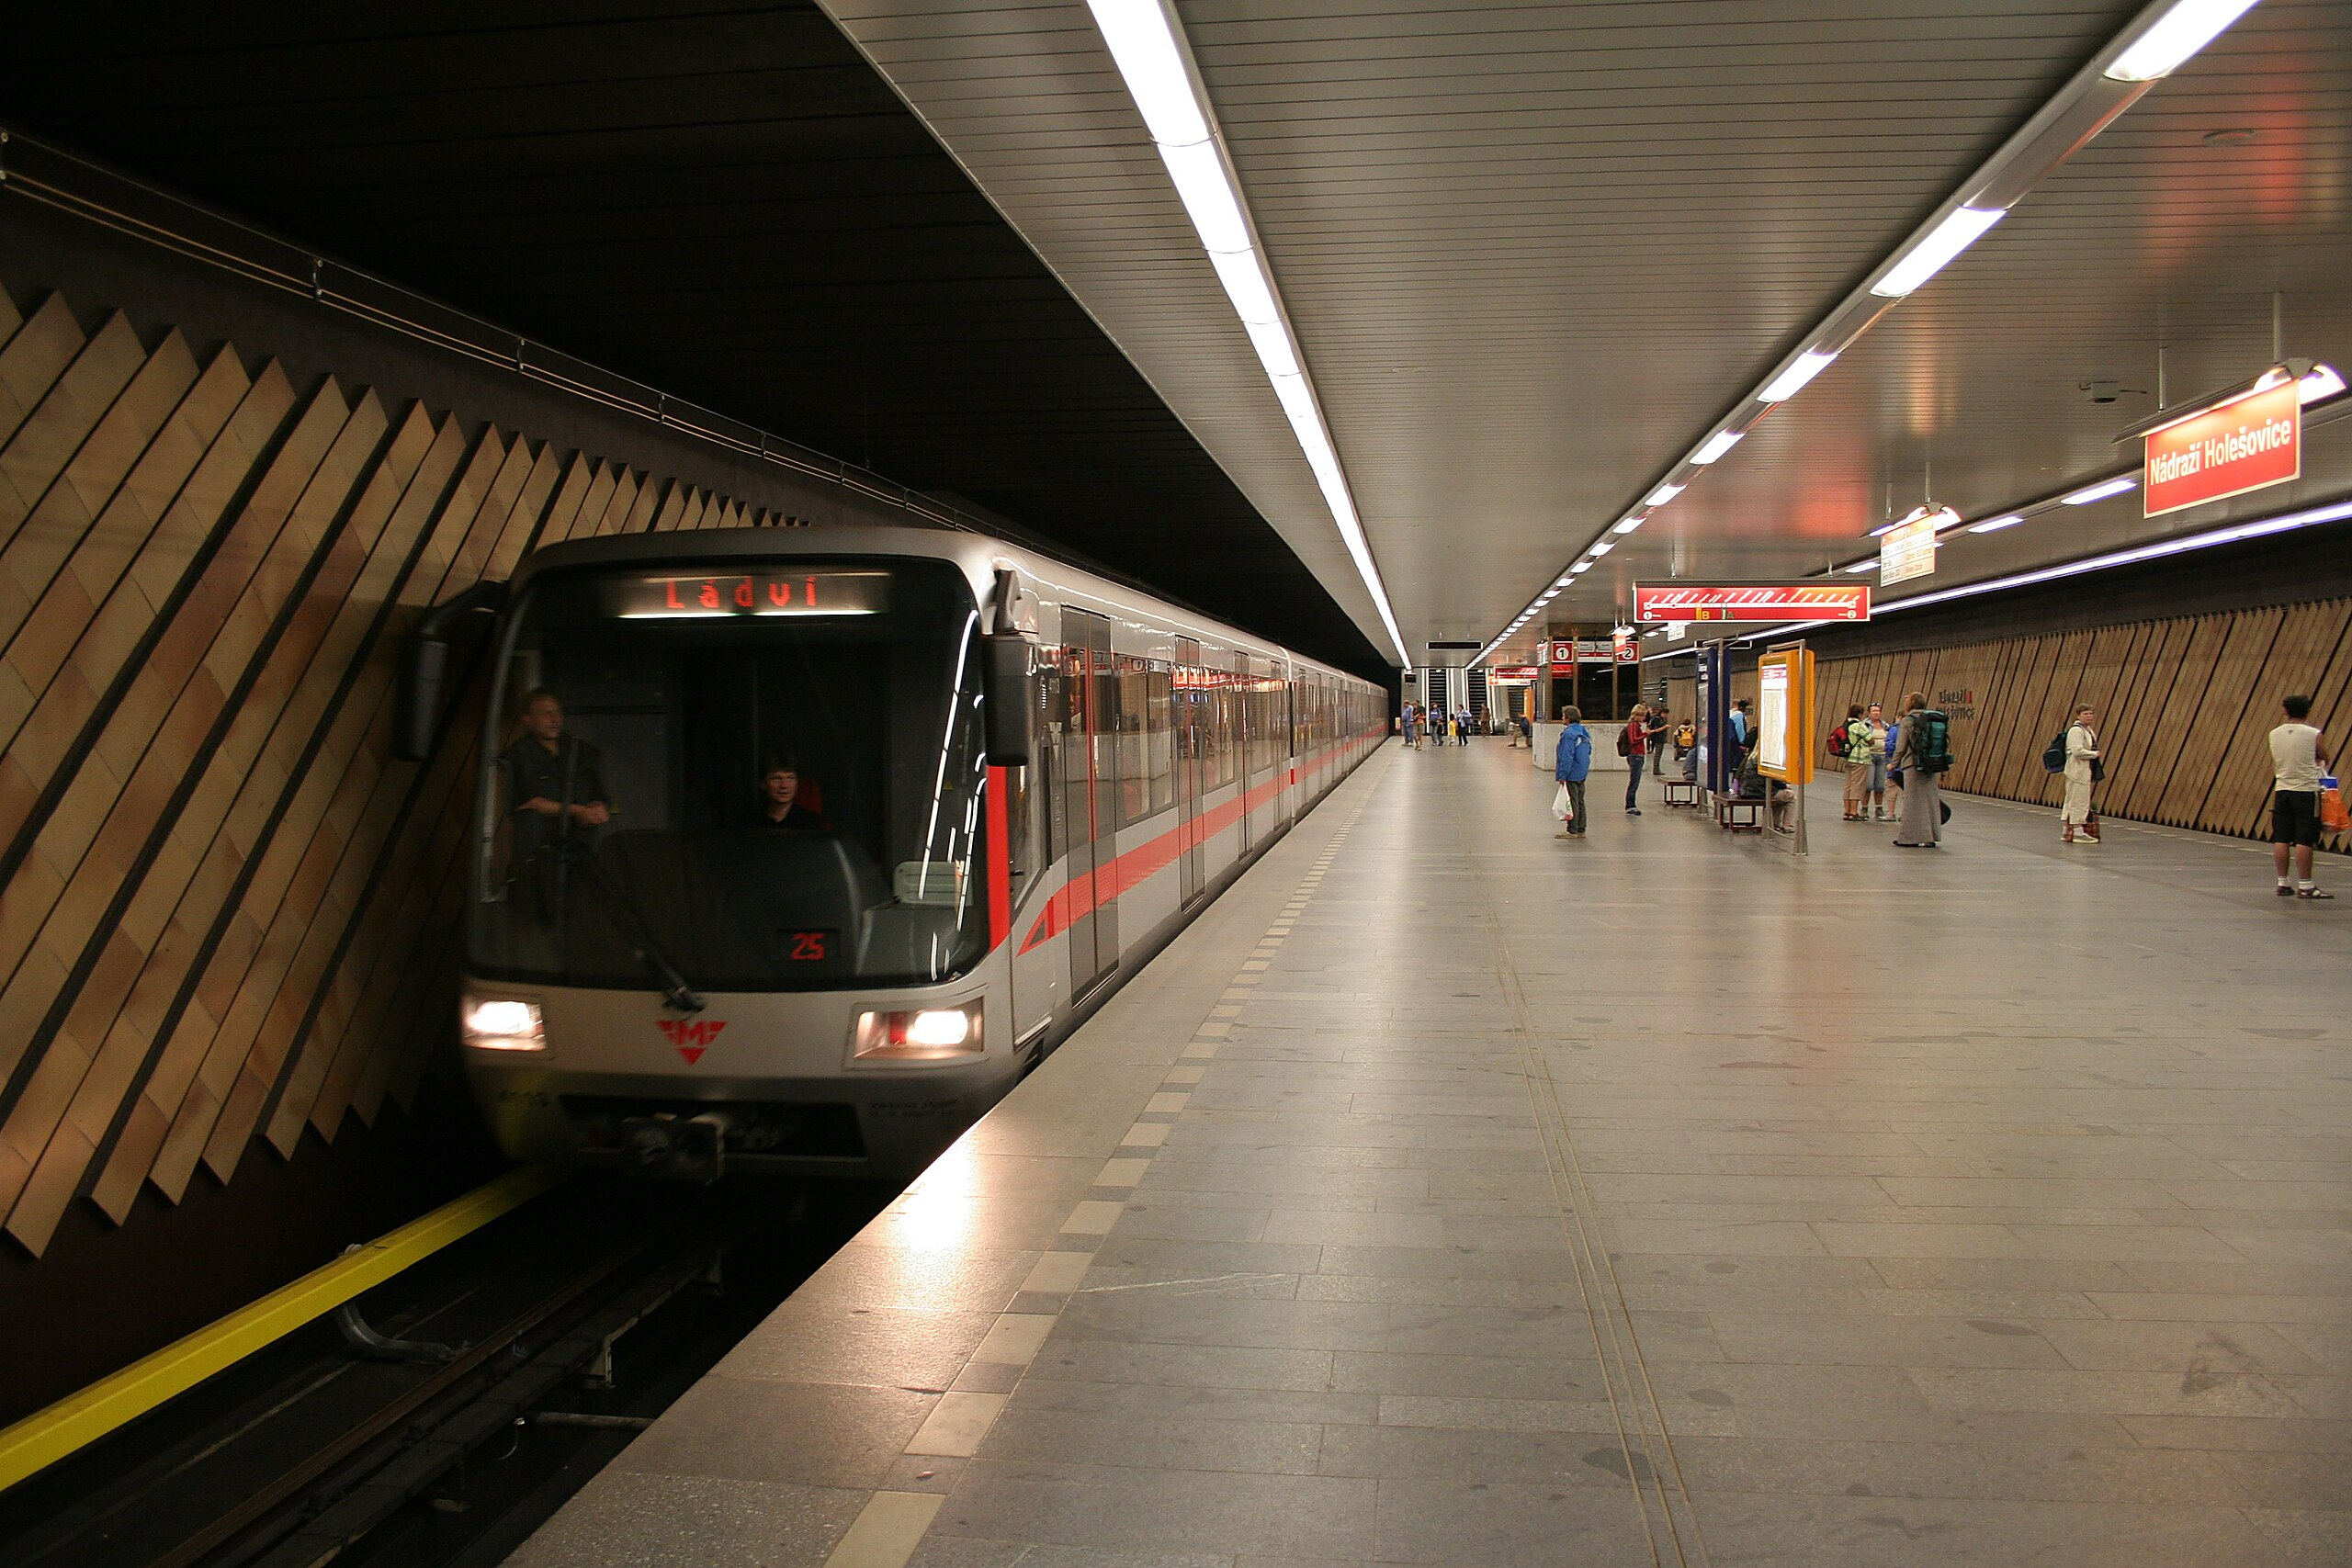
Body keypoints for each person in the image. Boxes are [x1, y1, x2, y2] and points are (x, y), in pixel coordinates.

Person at [2268, 694, 2333, 898]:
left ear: (2285, 710)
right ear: (2307, 711)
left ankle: (2283, 882)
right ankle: (2305, 885)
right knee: (2305, 838)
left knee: (2282, 837)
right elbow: (2324, 756)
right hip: (2306, 790)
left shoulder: (2274, 734)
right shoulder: (2313, 733)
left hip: (2282, 789)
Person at [1890, 691, 1941, 848]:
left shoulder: (1908, 720)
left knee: (1912, 802)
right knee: (1930, 801)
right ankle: (1931, 836)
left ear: (1910, 704)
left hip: (1913, 764)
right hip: (1931, 764)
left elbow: (1900, 747)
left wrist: (1893, 763)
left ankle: (1909, 838)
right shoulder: (1932, 718)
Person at [2060, 705, 2102, 845]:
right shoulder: (2077, 730)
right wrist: (2094, 754)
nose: (2089, 716)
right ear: (2078, 715)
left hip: (2080, 769)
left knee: (2071, 799)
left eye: (2091, 713)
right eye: (2085, 714)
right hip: (2078, 770)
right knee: (2079, 800)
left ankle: (2067, 831)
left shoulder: (2086, 729)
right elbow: (2077, 751)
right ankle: (2078, 832)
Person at [754, 757, 829, 830]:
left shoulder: (811, 822)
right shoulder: (751, 821)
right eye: (777, 779)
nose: (784, 785)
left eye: (790, 778)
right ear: (763, 784)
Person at [1554, 705, 1592, 839]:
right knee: (1580, 800)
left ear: (1568, 718)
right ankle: (1581, 828)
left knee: (1572, 800)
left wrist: (1562, 774)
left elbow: (1566, 755)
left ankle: (1572, 829)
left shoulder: (1568, 734)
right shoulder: (1583, 731)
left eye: (1563, 715)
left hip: (1572, 771)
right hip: (1582, 770)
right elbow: (1589, 750)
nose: (1562, 718)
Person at [1834, 704, 1874, 820]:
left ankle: (1846, 810)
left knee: (1848, 784)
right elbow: (1870, 740)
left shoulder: (1845, 724)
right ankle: (1854, 811)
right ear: (1860, 714)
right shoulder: (1859, 726)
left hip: (1847, 758)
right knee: (1857, 785)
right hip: (1859, 759)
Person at [1621, 703, 1653, 815]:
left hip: (1636, 755)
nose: (1644, 718)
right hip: (1636, 755)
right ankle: (1630, 805)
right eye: (1643, 716)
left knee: (1635, 781)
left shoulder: (1634, 725)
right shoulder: (1633, 725)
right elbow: (1634, 739)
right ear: (1637, 715)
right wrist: (1645, 734)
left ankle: (1631, 804)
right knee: (1634, 781)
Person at [1862, 702, 1893, 820]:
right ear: (1869, 713)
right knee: (1868, 784)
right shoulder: (1865, 725)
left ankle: (1878, 807)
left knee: (1880, 785)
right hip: (1870, 755)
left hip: (1883, 756)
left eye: (1878, 711)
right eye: (1873, 711)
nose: (1876, 713)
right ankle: (1864, 808)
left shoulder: (1885, 725)